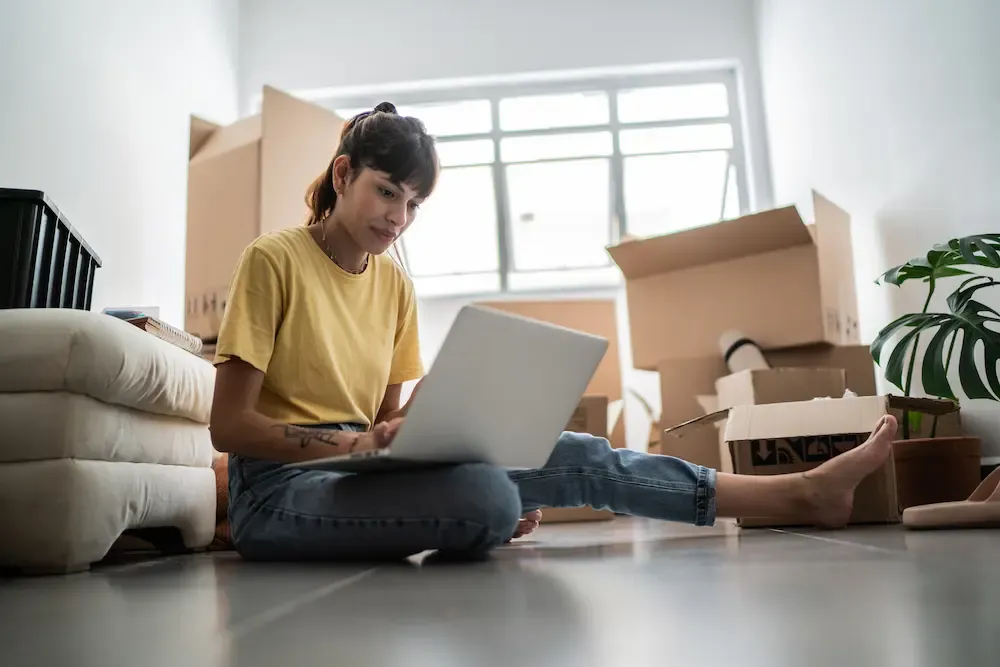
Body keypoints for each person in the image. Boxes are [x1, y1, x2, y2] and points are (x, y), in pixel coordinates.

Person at [209, 102, 899, 562]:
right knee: (486, 498)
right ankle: (470, 511)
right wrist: (360, 442)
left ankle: (801, 493)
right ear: (342, 175)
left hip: (356, 470)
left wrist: (410, 437)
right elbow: (229, 426)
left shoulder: (395, 286)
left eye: (414, 203)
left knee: (579, 454)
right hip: (275, 491)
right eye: (387, 191)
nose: (399, 217)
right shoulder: (273, 260)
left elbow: (386, 423)